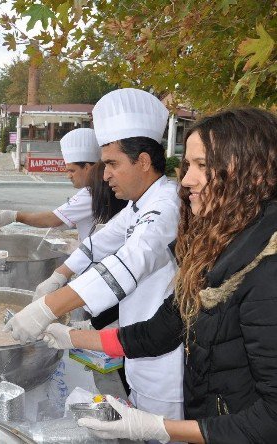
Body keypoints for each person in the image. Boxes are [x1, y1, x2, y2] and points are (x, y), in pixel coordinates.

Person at [43, 107, 277, 443]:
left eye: (203, 166)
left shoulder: (267, 266)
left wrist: (156, 427)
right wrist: (70, 336)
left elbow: (270, 418)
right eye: (187, 165)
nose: (185, 180)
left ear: (254, 172)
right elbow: (162, 330)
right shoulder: (220, 241)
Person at [5, 88, 184, 422]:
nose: (105, 175)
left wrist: (47, 309)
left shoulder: (167, 204)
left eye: (113, 164)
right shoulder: (140, 203)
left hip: (165, 365)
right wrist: (58, 277)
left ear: (143, 162)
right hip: (137, 350)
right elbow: (99, 244)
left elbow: (126, 264)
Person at [0, 128, 100, 241]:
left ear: (87, 167)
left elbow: (51, 219)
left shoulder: (91, 194)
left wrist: (15, 216)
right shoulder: (93, 190)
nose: (69, 176)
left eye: (72, 171)